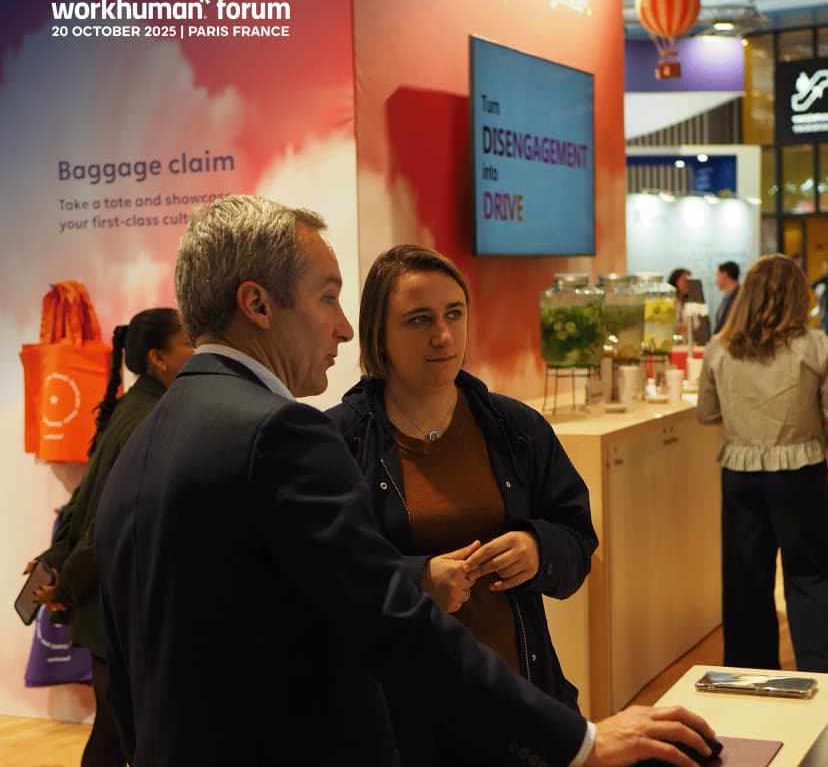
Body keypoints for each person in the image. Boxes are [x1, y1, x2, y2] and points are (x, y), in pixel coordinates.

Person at [94, 194, 716, 767]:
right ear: (257, 305)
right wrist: (580, 740)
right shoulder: (283, 434)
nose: (341, 327)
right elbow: (390, 619)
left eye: (454, 314)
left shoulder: (145, 436)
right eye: (326, 298)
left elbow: (119, 659)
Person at [326, 245, 596, 765]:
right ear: (378, 333)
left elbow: (578, 538)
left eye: (454, 314)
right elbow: (326, 580)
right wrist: (418, 581)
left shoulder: (515, 427)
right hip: (405, 723)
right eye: (419, 319)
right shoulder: (339, 441)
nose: (443, 335)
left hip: (520, 704)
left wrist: (538, 548)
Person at [26, 308, 193, 767]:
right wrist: (66, 582)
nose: (197, 350)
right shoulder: (150, 417)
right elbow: (106, 520)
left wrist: (58, 563)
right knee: (119, 736)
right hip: (114, 604)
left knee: (118, 734)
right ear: (158, 358)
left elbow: (83, 502)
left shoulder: (133, 407)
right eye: (188, 342)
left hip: (102, 603)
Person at [698, 253, 828, 672]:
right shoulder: (816, 346)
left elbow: (707, 412)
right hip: (801, 471)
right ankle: (820, 675)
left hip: (739, 473)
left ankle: (749, 679)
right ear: (797, 296)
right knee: (809, 576)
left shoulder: (719, 348)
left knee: (745, 582)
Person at [713, 261, 740, 334]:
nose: (716, 280)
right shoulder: (727, 296)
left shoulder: (739, 296)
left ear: (724, 275)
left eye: (717, 275)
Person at [667, 268, 691, 336]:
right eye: (685, 280)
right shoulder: (668, 301)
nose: (688, 283)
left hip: (688, 338)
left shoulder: (692, 301)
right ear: (675, 280)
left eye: (689, 281)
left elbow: (697, 325)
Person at [811, 259, 828, 333]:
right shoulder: (823, 279)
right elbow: (814, 284)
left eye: (826, 268)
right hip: (822, 306)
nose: (824, 270)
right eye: (823, 268)